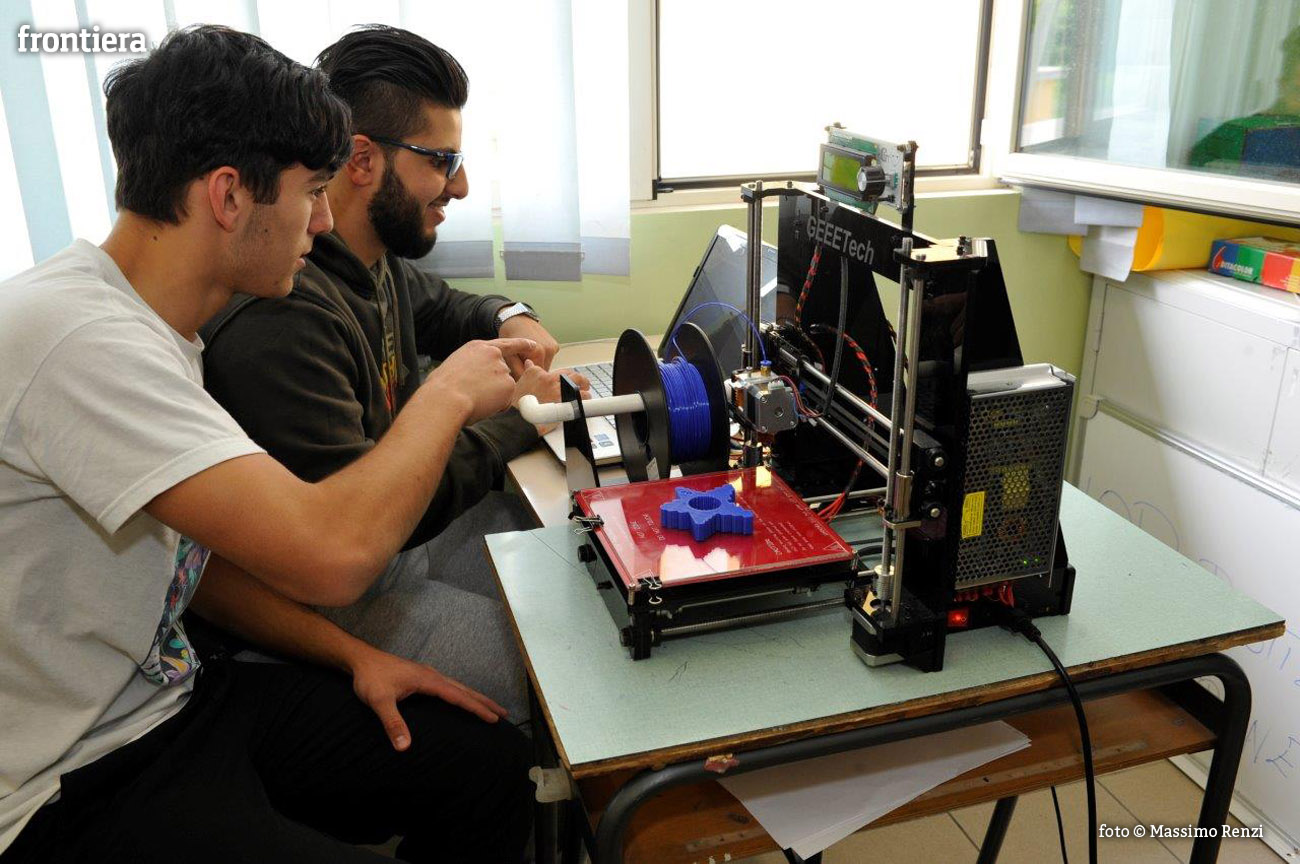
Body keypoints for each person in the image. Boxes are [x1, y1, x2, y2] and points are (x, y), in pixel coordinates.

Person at [0, 26, 533, 864]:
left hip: (175, 704)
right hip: (67, 785)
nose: (323, 220)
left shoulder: (158, 326)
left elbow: (194, 564)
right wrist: (450, 394)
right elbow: (336, 558)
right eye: (312, 190)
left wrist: (353, 656)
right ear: (229, 196)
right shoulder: (78, 340)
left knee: (488, 767)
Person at [199, 25, 584, 721]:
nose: (460, 186)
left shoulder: (370, 261)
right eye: (442, 161)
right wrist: (519, 419)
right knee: (569, 675)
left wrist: (511, 316)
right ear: (362, 159)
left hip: (398, 554)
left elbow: (446, 307)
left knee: (561, 554)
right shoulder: (283, 313)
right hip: (340, 599)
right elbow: (367, 532)